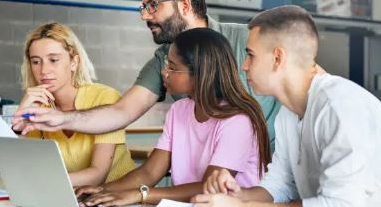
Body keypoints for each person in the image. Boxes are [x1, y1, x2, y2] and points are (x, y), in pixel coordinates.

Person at [12, 0, 280, 153]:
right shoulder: (162, 59)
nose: (144, 15)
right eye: (142, 6)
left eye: (153, 5)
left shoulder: (248, 39)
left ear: (185, 5)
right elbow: (120, 112)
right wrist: (60, 118)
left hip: (269, 174)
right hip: (211, 179)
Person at [192, 5, 381, 207]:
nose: (244, 65)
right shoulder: (288, 113)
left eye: (251, 55)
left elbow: (340, 204)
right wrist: (237, 195)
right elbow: (281, 184)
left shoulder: (339, 107)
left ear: (277, 58)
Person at [73, 28, 271, 206]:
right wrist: (103, 190)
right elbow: (149, 172)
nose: (164, 73)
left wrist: (140, 195)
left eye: (173, 67)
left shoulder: (237, 121)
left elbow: (209, 188)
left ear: (200, 73)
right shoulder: (179, 110)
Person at [17, 22, 135, 187]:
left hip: (118, 197)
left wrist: (43, 181)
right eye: (36, 62)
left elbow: (97, 175)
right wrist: (18, 126)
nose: (44, 70)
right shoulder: (37, 106)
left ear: (74, 62)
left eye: (53, 60)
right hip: (69, 196)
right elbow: (19, 169)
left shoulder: (105, 97)